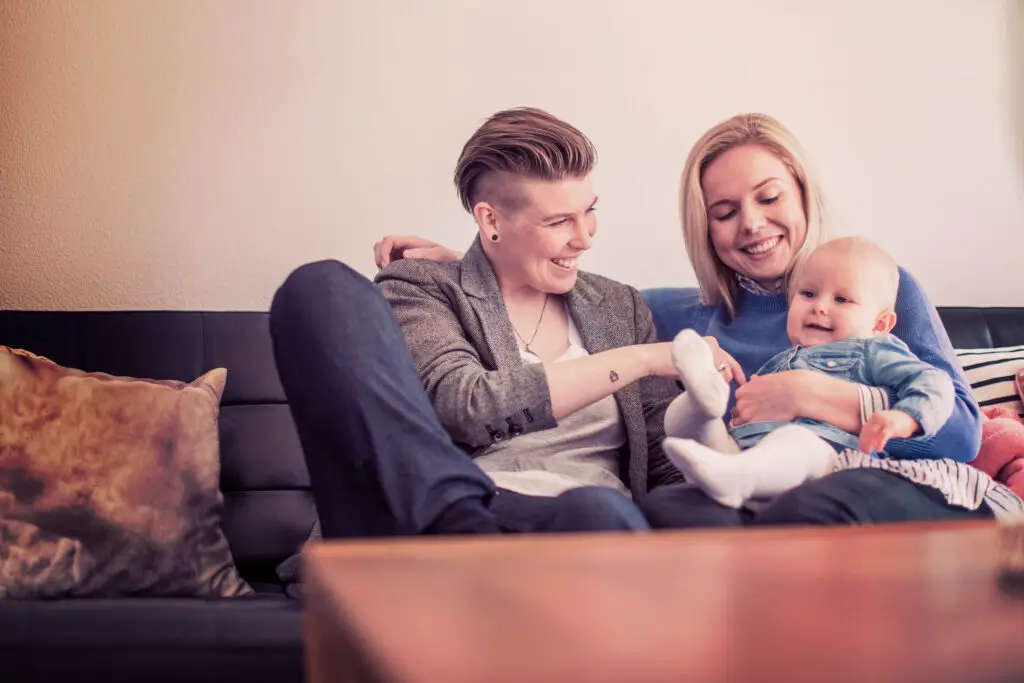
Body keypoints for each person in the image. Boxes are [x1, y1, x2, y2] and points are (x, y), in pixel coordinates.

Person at [378, 112, 1006, 527]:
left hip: (865, 483)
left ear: (801, 193)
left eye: (768, 198)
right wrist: (470, 261)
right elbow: (553, 294)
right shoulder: (673, 313)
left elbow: (960, 436)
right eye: (726, 210)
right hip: (737, 501)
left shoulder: (877, 292)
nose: (752, 225)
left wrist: (820, 395)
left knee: (801, 510)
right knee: (679, 509)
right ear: (704, 224)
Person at [269, 107, 688, 539]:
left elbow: (665, 463)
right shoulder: (423, 288)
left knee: (596, 509)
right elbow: (464, 407)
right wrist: (638, 360)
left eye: (589, 211)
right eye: (559, 221)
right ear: (490, 220)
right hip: (466, 514)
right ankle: (458, 529)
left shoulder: (619, 306)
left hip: (586, 528)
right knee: (320, 285)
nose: (584, 237)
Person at [662, 236, 1022, 519]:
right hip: (752, 453)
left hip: (826, 456)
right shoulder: (782, 361)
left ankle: (734, 474)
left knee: (796, 442)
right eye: (808, 294)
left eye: (842, 300)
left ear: (880, 323)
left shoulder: (875, 348)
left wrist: (905, 417)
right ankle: (701, 404)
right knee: (696, 426)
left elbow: (935, 384)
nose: (820, 305)